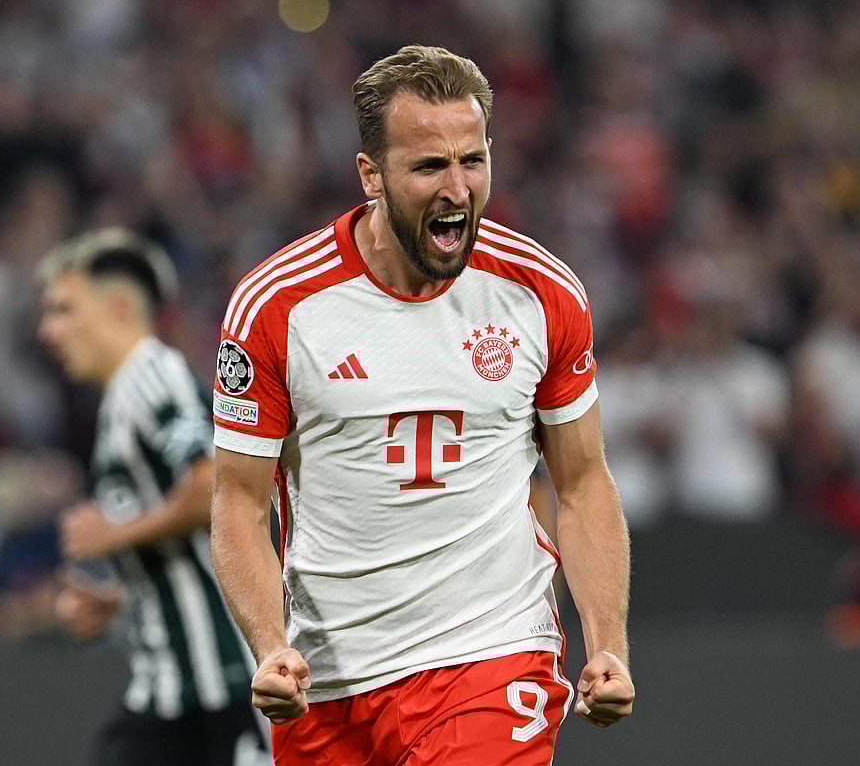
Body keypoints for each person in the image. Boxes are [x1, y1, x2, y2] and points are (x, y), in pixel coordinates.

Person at [210, 44, 634, 765]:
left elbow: (584, 481)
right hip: (329, 680)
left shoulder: (540, 293)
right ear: (371, 175)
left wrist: (609, 646)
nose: (458, 189)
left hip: (491, 656)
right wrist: (271, 645)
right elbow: (240, 503)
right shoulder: (279, 306)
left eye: (473, 160)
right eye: (430, 166)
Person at [36, 228, 269, 766]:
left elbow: (215, 482)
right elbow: (186, 556)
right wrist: (123, 600)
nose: (48, 330)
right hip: (171, 687)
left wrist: (111, 534)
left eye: (64, 309)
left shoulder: (152, 375)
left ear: (119, 308)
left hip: (220, 685)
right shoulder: (120, 402)